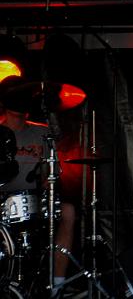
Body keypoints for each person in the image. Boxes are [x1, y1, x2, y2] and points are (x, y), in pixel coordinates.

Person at [0, 78, 77, 297]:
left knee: (68, 211)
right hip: (2, 202)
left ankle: (57, 285)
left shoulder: (42, 133)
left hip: (33, 200)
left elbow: (49, 174)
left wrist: (46, 185)